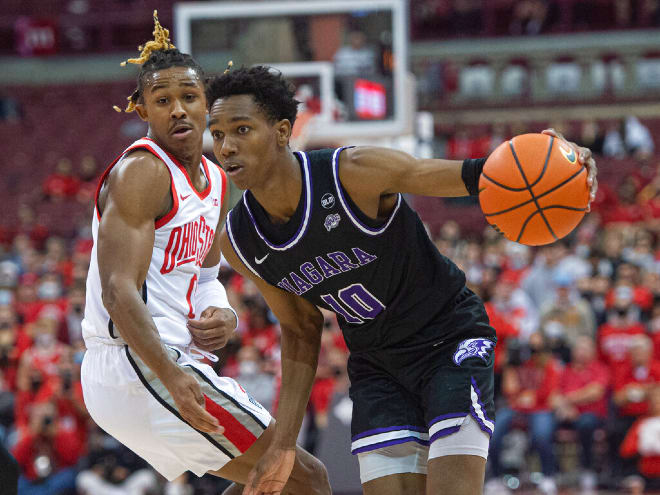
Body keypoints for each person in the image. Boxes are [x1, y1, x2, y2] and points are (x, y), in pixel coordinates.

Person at [205, 65, 598, 495]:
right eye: (219, 134)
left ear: (282, 132)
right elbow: (300, 330)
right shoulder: (240, 241)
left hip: (447, 339)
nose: (227, 146)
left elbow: (475, 174)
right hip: (376, 364)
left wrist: (558, 160)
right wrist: (282, 446)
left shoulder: (352, 171)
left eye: (242, 129)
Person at [79, 13, 329, 494]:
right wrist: (171, 375)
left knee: (269, 482)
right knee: (308, 480)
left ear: (205, 104)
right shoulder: (142, 172)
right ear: (143, 111)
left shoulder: (215, 178)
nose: (178, 110)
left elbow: (207, 275)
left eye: (189, 98)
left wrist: (225, 313)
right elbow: (117, 291)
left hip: (165, 364)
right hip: (139, 362)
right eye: (163, 100)